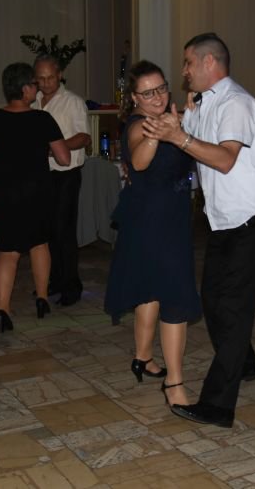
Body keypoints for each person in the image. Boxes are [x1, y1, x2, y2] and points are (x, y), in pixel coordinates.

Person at [143, 33, 255, 428]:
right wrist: (177, 124)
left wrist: (179, 134)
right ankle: (245, 362)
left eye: (188, 62)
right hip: (224, 219)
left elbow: (223, 159)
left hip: (252, 217)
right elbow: (190, 142)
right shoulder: (205, 102)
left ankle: (218, 406)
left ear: (209, 62)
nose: (184, 70)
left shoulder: (237, 102)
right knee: (214, 301)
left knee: (232, 308)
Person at [104, 60, 202, 407]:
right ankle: (174, 384)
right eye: (148, 93)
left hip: (167, 218)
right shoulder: (140, 125)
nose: (157, 97)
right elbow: (140, 161)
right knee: (174, 296)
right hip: (153, 223)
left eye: (161, 88)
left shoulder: (171, 118)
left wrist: (184, 122)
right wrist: (159, 133)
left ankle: (143, 358)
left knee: (150, 290)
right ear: (134, 98)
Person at [0, 63, 70, 332]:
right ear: (26, 88)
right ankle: (42, 299)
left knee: (8, 251)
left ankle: (3, 309)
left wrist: (2, 151)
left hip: (5, 193)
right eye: (34, 84)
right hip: (38, 192)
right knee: (39, 245)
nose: (36, 89)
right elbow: (64, 158)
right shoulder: (43, 119)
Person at [32, 54, 90, 306]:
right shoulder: (32, 101)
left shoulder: (73, 102)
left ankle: (71, 286)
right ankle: (53, 280)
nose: (46, 83)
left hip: (66, 174)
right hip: (41, 174)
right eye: (41, 78)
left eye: (50, 78)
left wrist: (56, 148)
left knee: (63, 230)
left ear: (60, 75)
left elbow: (84, 137)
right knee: (46, 230)